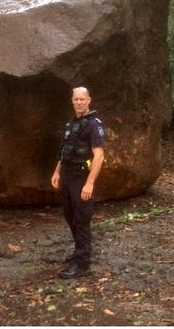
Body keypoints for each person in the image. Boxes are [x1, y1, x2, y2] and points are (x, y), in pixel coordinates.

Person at [51, 87, 104, 278]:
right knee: (70, 216)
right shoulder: (71, 124)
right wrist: (57, 172)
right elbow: (65, 150)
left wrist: (89, 183)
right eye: (76, 99)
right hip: (67, 176)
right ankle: (78, 254)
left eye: (82, 99)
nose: (79, 102)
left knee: (81, 219)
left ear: (89, 100)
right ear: (72, 101)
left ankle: (82, 264)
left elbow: (99, 156)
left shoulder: (93, 124)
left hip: (82, 178)